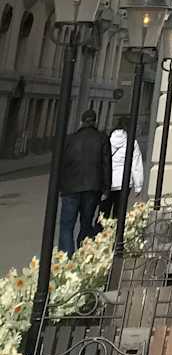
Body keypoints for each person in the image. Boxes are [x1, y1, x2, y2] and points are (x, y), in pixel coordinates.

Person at [58, 108, 108, 253]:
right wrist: (106, 189)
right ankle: (83, 255)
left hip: (70, 188)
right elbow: (106, 165)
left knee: (66, 226)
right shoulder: (102, 138)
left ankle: (66, 258)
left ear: (81, 122)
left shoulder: (70, 139)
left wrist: (60, 186)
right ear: (95, 122)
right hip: (92, 188)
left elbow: (61, 163)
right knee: (86, 224)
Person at [101, 118, 144, 219]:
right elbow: (136, 165)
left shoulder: (107, 140)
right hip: (124, 182)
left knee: (103, 213)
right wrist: (138, 186)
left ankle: (101, 229)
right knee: (119, 214)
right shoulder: (132, 142)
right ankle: (116, 228)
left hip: (108, 181)